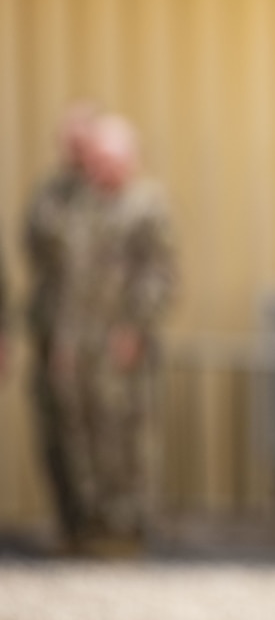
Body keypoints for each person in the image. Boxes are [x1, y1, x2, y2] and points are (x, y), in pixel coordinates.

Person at [26, 111, 175, 554]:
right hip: (76, 343)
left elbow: (160, 276)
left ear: (131, 159)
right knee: (75, 437)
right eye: (95, 159)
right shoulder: (73, 204)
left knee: (124, 437)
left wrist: (134, 326)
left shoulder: (146, 205)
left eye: (110, 159)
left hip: (120, 343)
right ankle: (85, 527)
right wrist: (62, 338)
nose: (100, 168)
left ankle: (125, 530)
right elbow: (58, 271)